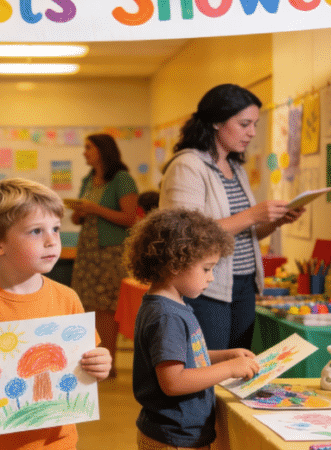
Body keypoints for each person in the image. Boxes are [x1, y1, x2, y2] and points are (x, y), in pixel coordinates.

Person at [0, 178, 113, 449]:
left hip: (59, 442)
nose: (51, 240)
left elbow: (89, 359)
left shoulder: (67, 298)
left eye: (55, 229)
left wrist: (100, 363)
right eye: (35, 231)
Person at [159, 84, 303, 351]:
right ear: (216, 121)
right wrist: (252, 215)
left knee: (238, 364)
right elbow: (185, 235)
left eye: (255, 124)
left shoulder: (236, 168)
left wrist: (275, 221)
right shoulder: (187, 166)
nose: (251, 133)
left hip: (243, 283)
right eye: (244, 124)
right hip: (207, 287)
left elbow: (244, 235)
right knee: (209, 368)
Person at [125, 208, 260, 449]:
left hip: (179, 434)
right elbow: (174, 381)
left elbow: (184, 359)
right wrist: (229, 369)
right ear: (176, 263)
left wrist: (224, 356)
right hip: (173, 438)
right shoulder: (167, 316)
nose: (211, 278)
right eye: (206, 268)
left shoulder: (171, 306)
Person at [69, 133, 139, 379]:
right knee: (87, 306)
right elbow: (79, 215)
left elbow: (130, 218)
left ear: (102, 150)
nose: (84, 152)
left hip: (111, 253)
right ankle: (93, 360)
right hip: (88, 251)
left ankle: (108, 365)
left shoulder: (122, 179)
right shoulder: (89, 179)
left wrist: (94, 209)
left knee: (107, 308)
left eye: (88, 148)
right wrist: (79, 213)